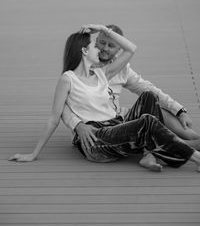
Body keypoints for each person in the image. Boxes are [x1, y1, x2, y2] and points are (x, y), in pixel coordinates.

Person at [9, 24, 200, 173]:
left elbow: (131, 49)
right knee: (148, 122)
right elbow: (55, 117)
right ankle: (192, 154)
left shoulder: (102, 73)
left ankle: (156, 151)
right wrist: (34, 153)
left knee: (148, 97)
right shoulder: (68, 79)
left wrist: (102, 28)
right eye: (95, 44)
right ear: (84, 51)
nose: (99, 49)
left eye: (107, 45)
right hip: (94, 138)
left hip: (114, 125)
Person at [62, 24, 200, 154]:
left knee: (152, 101)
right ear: (95, 42)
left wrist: (179, 110)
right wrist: (77, 125)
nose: (105, 48)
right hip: (92, 127)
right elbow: (63, 104)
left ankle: (193, 139)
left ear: (119, 49)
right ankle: (179, 147)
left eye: (111, 45)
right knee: (147, 122)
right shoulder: (82, 67)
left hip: (117, 118)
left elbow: (147, 88)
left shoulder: (122, 69)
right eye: (102, 43)